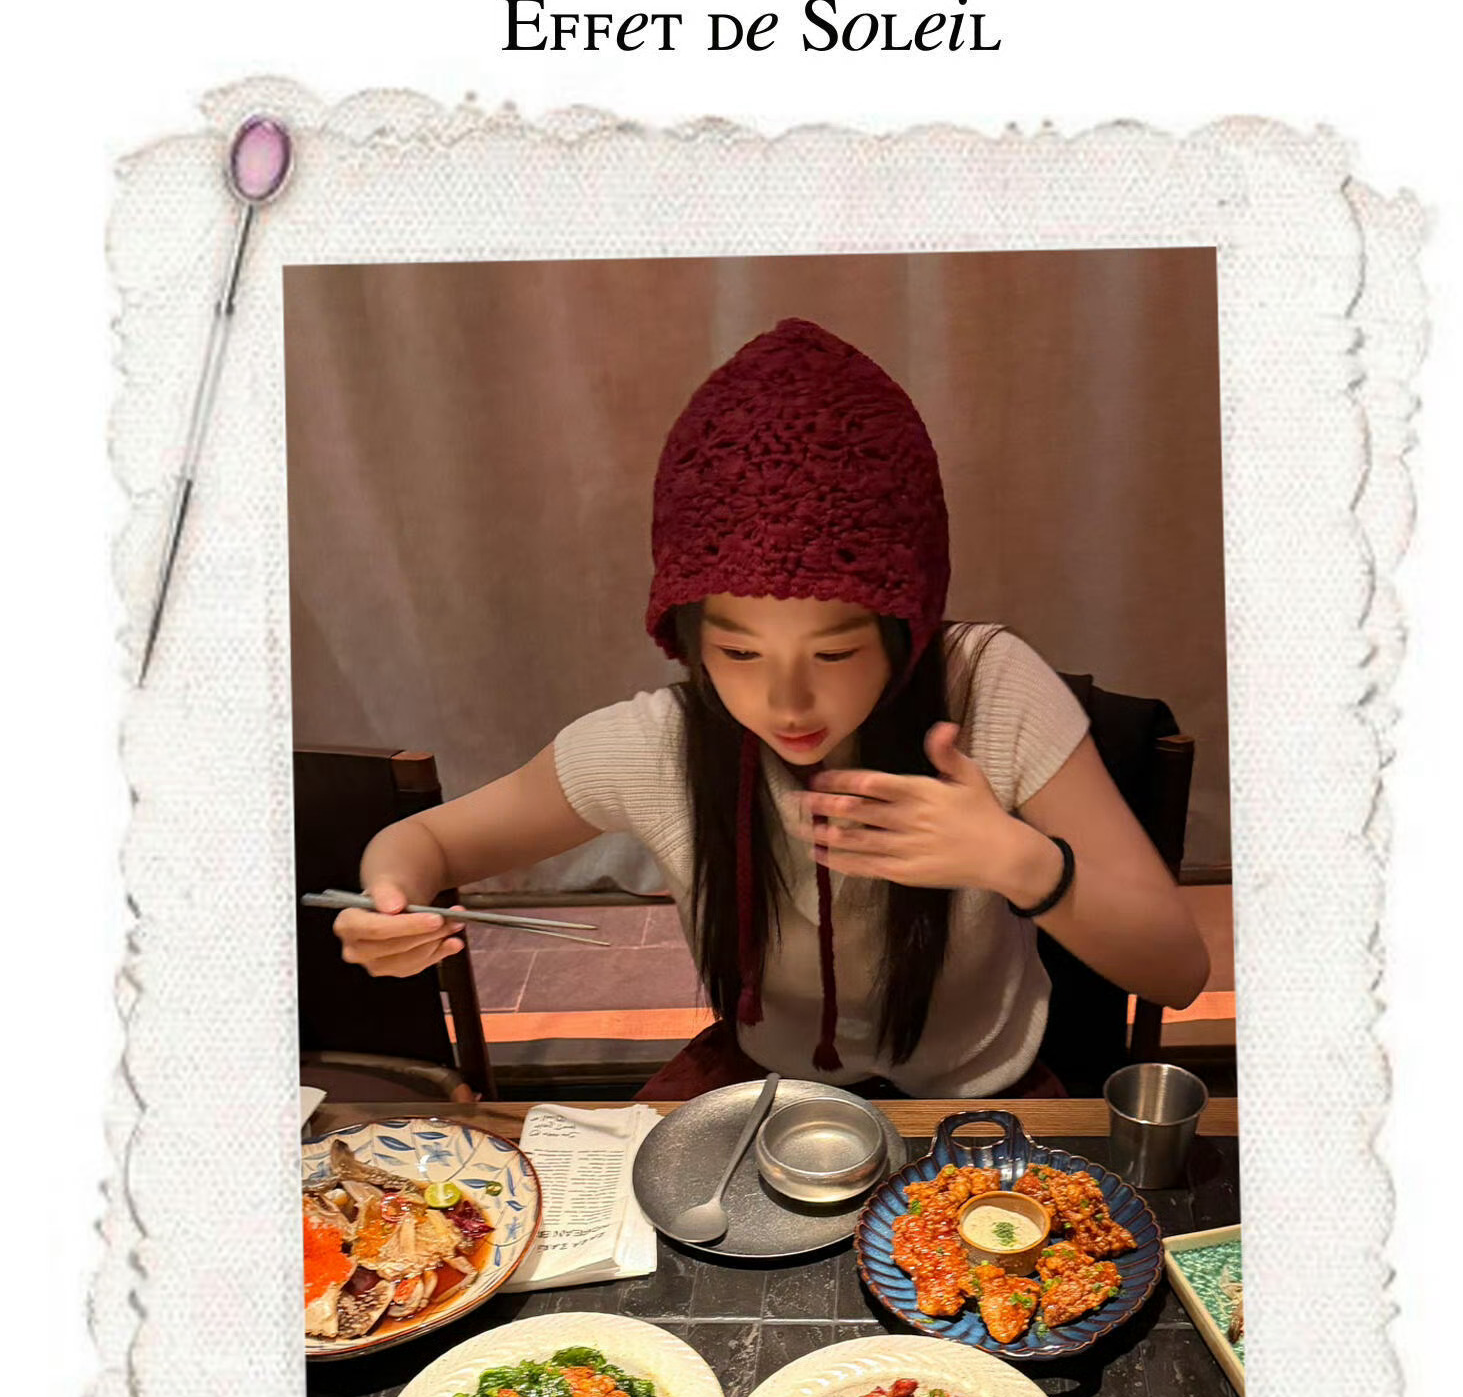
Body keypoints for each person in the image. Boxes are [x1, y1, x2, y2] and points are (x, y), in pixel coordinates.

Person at [334, 318, 1209, 1099]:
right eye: (740, 653)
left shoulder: (990, 690)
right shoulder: (665, 743)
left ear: (906, 629)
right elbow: (428, 843)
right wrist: (391, 897)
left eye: (835, 653)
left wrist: (1017, 861)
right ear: (688, 639)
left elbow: (1177, 970)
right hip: (769, 1096)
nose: (786, 701)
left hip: (978, 1102)